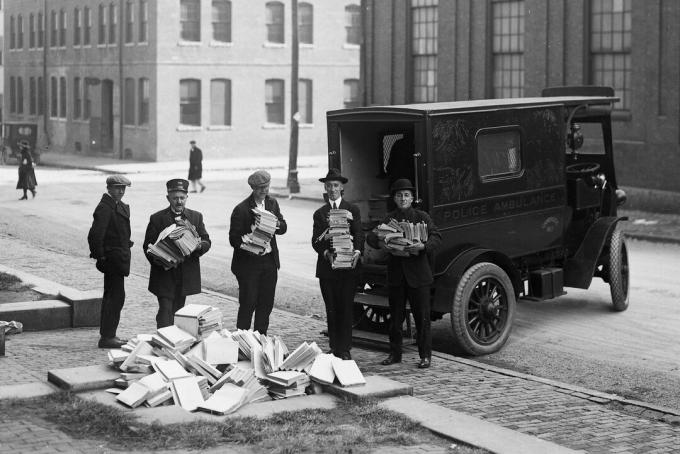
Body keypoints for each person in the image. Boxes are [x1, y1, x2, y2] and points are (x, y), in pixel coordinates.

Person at [367, 178, 441, 369]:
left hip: (419, 276)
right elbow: (371, 237)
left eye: (406, 195)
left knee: (422, 318)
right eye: (399, 195)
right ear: (394, 198)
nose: (403, 198)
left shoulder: (422, 217)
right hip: (397, 276)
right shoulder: (388, 219)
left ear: (412, 198)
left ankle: (425, 356)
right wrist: (382, 243)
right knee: (396, 319)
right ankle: (395, 354)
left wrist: (423, 246)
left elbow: (437, 237)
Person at [143, 179, 211, 328]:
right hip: (164, 275)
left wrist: (199, 246)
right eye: (175, 198)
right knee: (165, 311)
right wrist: (160, 260)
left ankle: (176, 343)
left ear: (187, 197)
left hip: (185, 275)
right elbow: (146, 246)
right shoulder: (157, 218)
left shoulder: (195, 217)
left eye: (182, 197)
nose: (179, 201)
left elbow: (207, 241)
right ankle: (163, 342)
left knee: (179, 312)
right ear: (168, 198)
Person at [312, 168, 363, 360]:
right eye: (329, 186)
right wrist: (325, 253)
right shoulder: (320, 213)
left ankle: (345, 348)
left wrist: (357, 251)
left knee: (346, 308)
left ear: (342, 188)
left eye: (335, 186)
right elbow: (315, 240)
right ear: (325, 188)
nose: (332, 189)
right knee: (331, 308)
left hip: (348, 267)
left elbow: (359, 233)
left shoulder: (353, 209)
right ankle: (334, 347)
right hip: (328, 269)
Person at [229, 170, 287, 335]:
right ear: (253, 188)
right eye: (260, 188)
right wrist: (251, 246)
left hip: (269, 262)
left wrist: (277, 225)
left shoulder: (272, 204)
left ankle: (261, 338)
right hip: (249, 264)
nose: (264, 191)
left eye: (266, 187)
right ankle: (243, 340)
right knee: (248, 303)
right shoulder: (241, 209)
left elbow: (283, 226)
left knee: (266, 303)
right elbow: (234, 239)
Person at [87, 175, 133, 348]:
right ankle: (107, 337)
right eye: (117, 188)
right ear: (109, 188)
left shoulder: (116, 205)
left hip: (117, 258)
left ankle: (107, 334)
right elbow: (95, 235)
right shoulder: (105, 207)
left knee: (112, 296)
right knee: (116, 297)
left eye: (123, 188)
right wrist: (101, 257)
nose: (121, 191)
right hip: (112, 260)